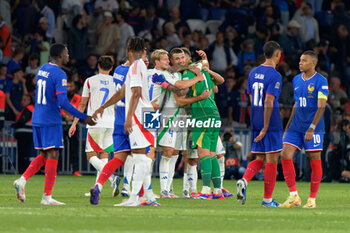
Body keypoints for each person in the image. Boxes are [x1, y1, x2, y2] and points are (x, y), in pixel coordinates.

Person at [13, 43, 96, 205]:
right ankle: (47, 197)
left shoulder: (43, 68)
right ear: (60, 56)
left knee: (44, 155)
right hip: (51, 119)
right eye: (66, 53)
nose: (68, 55)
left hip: (37, 117)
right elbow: (62, 101)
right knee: (54, 154)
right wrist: (82, 116)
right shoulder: (60, 74)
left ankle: (22, 181)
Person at [279, 50, 329, 209]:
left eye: (304, 61)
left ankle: (312, 199)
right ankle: (293, 195)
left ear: (313, 64)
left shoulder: (321, 81)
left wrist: (312, 128)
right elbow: (296, 104)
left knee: (314, 160)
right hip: (296, 126)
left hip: (313, 128)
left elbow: (321, 107)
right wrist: (287, 127)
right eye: (300, 60)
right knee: (285, 155)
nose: (300, 63)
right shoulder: (296, 79)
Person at [236, 41, 283, 207]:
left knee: (260, 157)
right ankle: (267, 199)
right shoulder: (275, 75)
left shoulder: (253, 73)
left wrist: (257, 122)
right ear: (277, 54)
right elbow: (269, 101)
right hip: (270, 121)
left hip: (255, 117)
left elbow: (251, 99)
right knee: (272, 158)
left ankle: (244, 180)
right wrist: (265, 126)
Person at [69, 56, 118, 193]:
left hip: (95, 122)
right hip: (111, 122)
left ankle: (112, 177)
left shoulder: (90, 81)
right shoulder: (115, 81)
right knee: (104, 156)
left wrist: (74, 123)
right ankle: (98, 188)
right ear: (111, 68)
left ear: (98, 66)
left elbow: (82, 103)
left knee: (91, 155)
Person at [12, 94, 34, 173]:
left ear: (29, 101)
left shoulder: (28, 109)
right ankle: (24, 170)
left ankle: (22, 170)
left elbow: (23, 120)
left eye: (25, 100)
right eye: (22, 100)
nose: (22, 101)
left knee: (23, 153)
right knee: (25, 153)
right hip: (28, 133)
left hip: (25, 133)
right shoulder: (29, 109)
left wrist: (15, 124)